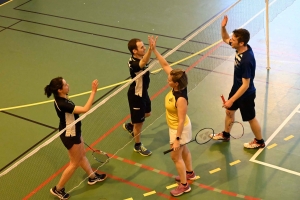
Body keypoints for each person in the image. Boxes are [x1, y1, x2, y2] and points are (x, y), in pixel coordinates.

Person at [44, 77, 107, 200]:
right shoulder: (62, 103)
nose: (68, 85)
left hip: (74, 131)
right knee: (74, 163)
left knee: (82, 155)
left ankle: (92, 177)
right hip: (70, 135)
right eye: (65, 84)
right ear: (59, 89)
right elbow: (84, 109)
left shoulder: (61, 98)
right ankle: (58, 189)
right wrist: (93, 91)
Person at [150, 36, 196, 197]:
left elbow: (182, 119)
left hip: (179, 129)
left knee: (175, 157)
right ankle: (190, 173)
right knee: (184, 152)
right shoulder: (177, 83)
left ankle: (184, 185)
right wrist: (154, 49)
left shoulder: (180, 98)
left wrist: (177, 138)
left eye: (169, 80)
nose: (167, 80)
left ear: (176, 84)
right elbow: (165, 64)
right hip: (175, 127)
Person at [210, 15, 265, 149]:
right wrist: (223, 27)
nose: (231, 41)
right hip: (236, 88)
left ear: (241, 43)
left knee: (251, 118)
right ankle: (225, 134)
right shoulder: (241, 47)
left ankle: (259, 141)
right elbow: (224, 38)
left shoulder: (246, 60)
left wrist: (231, 100)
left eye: (233, 40)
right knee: (229, 112)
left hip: (245, 93)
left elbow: (246, 85)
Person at [122, 37, 152, 156]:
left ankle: (130, 125)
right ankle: (137, 146)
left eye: (144, 46)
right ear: (134, 51)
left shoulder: (140, 57)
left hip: (144, 93)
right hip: (136, 95)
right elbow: (143, 63)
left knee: (148, 113)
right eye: (141, 47)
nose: (144, 48)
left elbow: (144, 60)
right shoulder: (133, 63)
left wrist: (149, 50)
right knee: (139, 123)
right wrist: (151, 49)